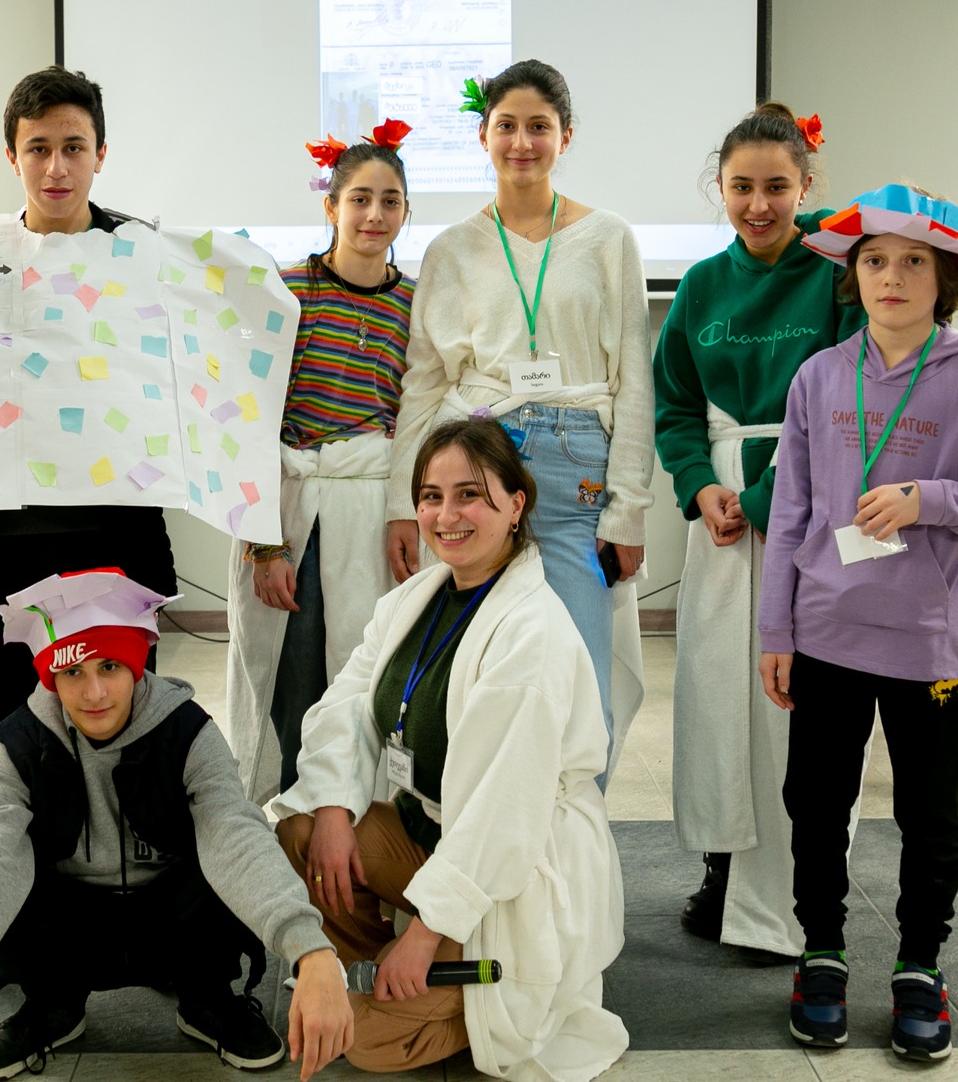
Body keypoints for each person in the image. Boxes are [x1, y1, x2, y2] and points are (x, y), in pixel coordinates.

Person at [756, 185, 958, 1061]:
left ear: (945, 279)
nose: (892, 276)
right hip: (826, 633)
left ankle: (920, 963)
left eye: (915, 261)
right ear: (854, 275)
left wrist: (930, 499)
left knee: (928, 810)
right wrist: (774, 631)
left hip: (928, 645)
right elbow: (791, 516)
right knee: (815, 804)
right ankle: (822, 952)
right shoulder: (819, 376)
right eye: (875, 259)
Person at [0, 570, 355, 1082]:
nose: (94, 692)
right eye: (73, 672)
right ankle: (52, 1005)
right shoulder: (17, 745)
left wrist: (310, 950)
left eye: (110, 666)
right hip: (68, 929)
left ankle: (206, 999)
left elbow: (237, 835)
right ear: (50, 677)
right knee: (4, 864)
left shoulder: (188, 731)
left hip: (175, 923)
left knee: (229, 856)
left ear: (136, 667)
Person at [274, 417, 627, 1077]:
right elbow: (348, 701)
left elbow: (502, 812)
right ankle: (381, 969)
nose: (446, 515)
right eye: (431, 497)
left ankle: (464, 989)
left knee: (362, 1042)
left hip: (513, 875)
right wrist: (333, 810)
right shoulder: (420, 596)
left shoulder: (530, 632)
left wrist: (424, 932)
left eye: (470, 495)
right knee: (304, 831)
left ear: (516, 504)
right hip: (434, 838)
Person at [386, 60, 652, 767]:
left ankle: (572, 837)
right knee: (475, 685)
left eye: (540, 126)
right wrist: (402, 505)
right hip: (477, 468)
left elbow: (634, 380)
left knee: (581, 690)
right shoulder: (451, 248)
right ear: (483, 135)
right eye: (506, 125)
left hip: (575, 478)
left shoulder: (608, 238)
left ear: (566, 135)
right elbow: (423, 382)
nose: (522, 142)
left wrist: (628, 510)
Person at [651, 103, 865, 960]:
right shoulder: (702, 284)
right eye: (741, 187)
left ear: (806, 186)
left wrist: (775, 495)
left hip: (810, 503)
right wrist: (700, 486)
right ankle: (724, 864)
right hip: (722, 516)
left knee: (794, 702)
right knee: (716, 695)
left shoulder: (837, 272)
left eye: (778, 186)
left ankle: (796, 888)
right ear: (721, 188)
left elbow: (850, 401)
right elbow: (674, 406)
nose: (759, 204)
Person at [0, 66, 179, 748]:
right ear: (11, 156)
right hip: (3, 542)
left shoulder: (149, 258)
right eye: (38, 148)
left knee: (121, 732)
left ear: (100, 154)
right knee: (10, 735)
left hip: (116, 538)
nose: (56, 167)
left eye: (73, 147)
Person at [228, 122, 416, 803]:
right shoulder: (288, 292)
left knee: (366, 680)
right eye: (359, 198)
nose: (374, 215)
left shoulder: (414, 302)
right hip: (293, 511)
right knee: (294, 681)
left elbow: (415, 412)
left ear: (406, 212)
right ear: (331, 205)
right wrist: (265, 543)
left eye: (390, 201)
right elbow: (246, 416)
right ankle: (288, 828)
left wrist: (407, 510)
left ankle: (358, 822)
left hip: (372, 509)